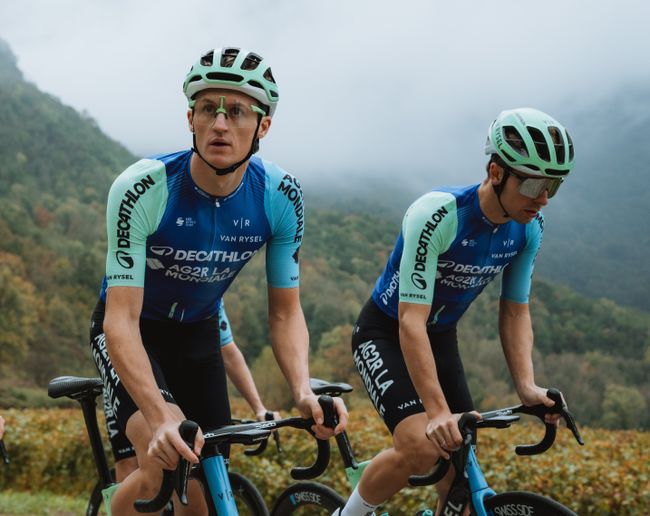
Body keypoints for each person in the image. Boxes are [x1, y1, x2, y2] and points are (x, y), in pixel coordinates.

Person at [89, 46, 347, 515]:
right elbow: (120, 319)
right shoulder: (142, 188)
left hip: (199, 332)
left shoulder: (280, 195)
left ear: (263, 127)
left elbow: (285, 312)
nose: (221, 124)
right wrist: (159, 415)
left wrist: (303, 390)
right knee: (162, 463)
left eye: (238, 112)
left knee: (207, 484)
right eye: (208, 109)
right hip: (133, 329)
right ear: (191, 119)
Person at [338, 108, 574, 516]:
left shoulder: (529, 228)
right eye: (533, 182)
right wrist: (436, 411)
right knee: (421, 446)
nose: (544, 198)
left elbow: (515, 311)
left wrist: (527, 387)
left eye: (553, 184)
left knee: (461, 482)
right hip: (386, 331)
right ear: (496, 172)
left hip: (441, 337)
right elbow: (411, 320)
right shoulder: (438, 215)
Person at [103, 301, 281, 483]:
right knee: (131, 462)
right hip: (133, 367)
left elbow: (229, 353)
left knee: (188, 468)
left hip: (175, 375)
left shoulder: (208, 301)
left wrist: (259, 408)